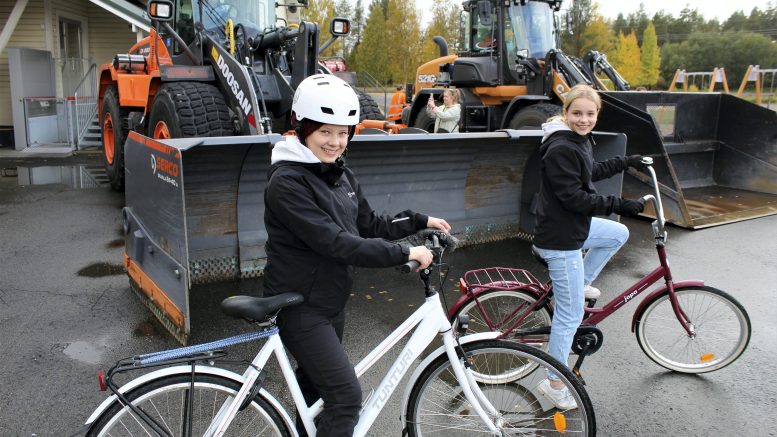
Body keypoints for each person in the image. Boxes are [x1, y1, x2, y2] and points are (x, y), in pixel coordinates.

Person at [263, 74, 451, 436]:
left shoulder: (338, 173)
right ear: (302, 129)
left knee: (316, 395)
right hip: (300, 307)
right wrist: (404, 252)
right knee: (346, 398)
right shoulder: (287, 182)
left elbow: (369, 223)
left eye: (343, 132)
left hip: (329, 302)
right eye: (325, 133)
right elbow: (337, 242)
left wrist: (419, 221)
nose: (335, 142)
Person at [532, 84, 646, 410]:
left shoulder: (578, 141)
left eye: (590, 114)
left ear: (597, 114)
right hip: (560, 239)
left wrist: (626, 161)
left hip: (571, 228)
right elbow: (574, 197)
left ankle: (579, 284)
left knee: (616, 234)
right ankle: (554, 382)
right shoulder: (561, 148)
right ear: (566, 113)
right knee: (570, 316)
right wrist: (620, 203)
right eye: (577, 113)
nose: (584, 119)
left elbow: (589, 172)